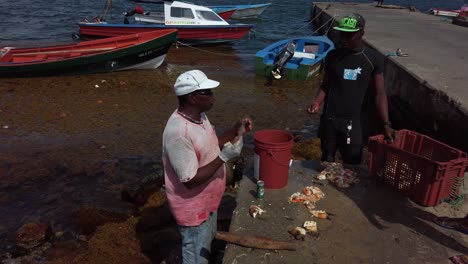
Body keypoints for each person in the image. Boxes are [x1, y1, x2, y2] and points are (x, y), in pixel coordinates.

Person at [162, 69, 253, 264]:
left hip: (208, 203)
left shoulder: (199, 117)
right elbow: (190, 180)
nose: (213, 96)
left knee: (205, 247)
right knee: (196, 255)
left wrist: (236, 130)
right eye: (208, 92)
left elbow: (210, 145)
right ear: (193, 98)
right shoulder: (179, 133)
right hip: (193, 210)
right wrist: (224, 157)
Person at [307, 13, 395, 165]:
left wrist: (386, 124)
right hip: (330, 120)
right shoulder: (333, 56)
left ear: (361, 34)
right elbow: (325, 85)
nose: (343, 39)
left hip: (355, 123)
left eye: (349, 35)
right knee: (326, 163)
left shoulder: (373, 59)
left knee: (352, 165)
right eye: (342, 34)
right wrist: (316, 103)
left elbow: (380, 94)